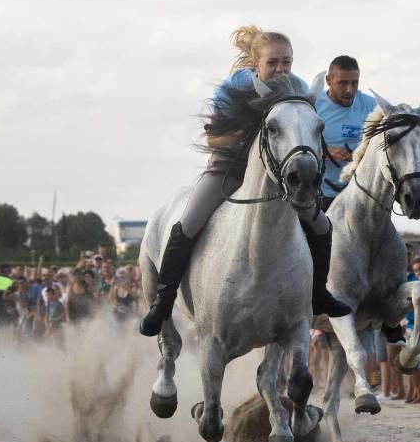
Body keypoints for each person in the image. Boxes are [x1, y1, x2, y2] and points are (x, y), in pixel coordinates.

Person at [139, 25, 351, 337]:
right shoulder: (233, 87)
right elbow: (213, 139)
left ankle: (319, 295)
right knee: (188, 222)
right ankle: (163, 301)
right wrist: (251, 134)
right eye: (272, 63)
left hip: (278, 176)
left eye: (287, 62)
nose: (281, 69)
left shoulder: (299, 88)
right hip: (229, 169)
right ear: (256, 63)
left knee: (321, 226)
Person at [315, 55, 378, 206]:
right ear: (329, 80)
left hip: (360, 194)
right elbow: (296, 146)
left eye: (354, 83)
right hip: (320, 193)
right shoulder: (314, 106)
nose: (349, 89)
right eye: (342, 83)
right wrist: (324, 152)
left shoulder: (372, 106)